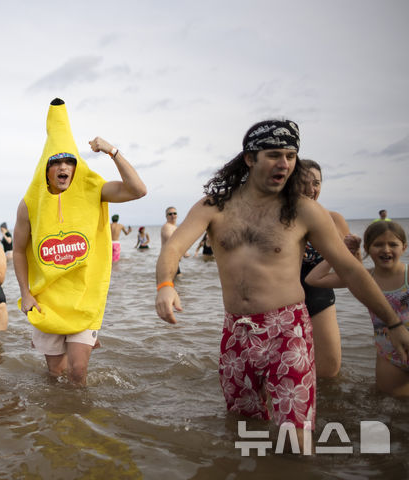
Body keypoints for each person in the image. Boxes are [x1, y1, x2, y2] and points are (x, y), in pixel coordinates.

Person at [154, 119, 409, 442]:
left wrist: (392, 323)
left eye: (290, 156)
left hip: (288, 331)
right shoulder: (214, 207)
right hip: (236, 332)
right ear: (250, 159)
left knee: (295, 434)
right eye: (274, 155)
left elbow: (351, 270)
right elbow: (174, 247)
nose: (285, 164)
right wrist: (165, 285)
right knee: (243, 427)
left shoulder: (303, 211)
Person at [14, 98, 146, 385]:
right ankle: (57, 420)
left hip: (84, 299)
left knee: (77, 372)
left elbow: (138, 190)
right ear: (45, 168)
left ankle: (80, 423)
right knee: (55, 374)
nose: (63, 167)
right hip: (47, 302)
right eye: (56, 162)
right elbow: (18, 251)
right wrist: (25, 292)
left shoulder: (93, 190)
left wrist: (112, 151)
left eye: (68, 161)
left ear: (76, 166)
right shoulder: (29, 204)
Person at [306, 221, 409, 396]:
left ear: (404, 247)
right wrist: (343, 251)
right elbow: (313, 279)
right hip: (389, 354)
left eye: (393, 244)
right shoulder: (364, 279)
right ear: (368, 248)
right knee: (392, 407)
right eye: (378, 244)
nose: (386, 249)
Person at [298, 158, 355, 378]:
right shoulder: (280, 220)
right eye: (303, 182)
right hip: (280, 299)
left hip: (318, 296)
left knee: (329, 372)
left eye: (316, 183)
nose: (310, 189)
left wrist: (355, 250)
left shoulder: (334, 219)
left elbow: (352, 269)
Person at [161, 206, 190, 273]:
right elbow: (172, 240)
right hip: (168, 261)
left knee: (178, 281)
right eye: (170, 214)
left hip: (173, 261)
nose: (173, 215)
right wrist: (184, 252)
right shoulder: (167, 226)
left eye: (174, 213)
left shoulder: (174, 227)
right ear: (166, 216)